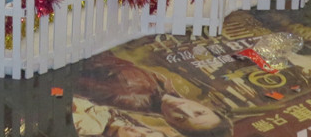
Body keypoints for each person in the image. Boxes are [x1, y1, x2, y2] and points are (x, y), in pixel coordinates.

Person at [77, 53, 234, 137]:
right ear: (206, 107)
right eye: (199, 112)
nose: (182, 109)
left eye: (180, 119)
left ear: (171, 124)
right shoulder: (164, 91)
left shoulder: (126, 97)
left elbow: (75, 79)